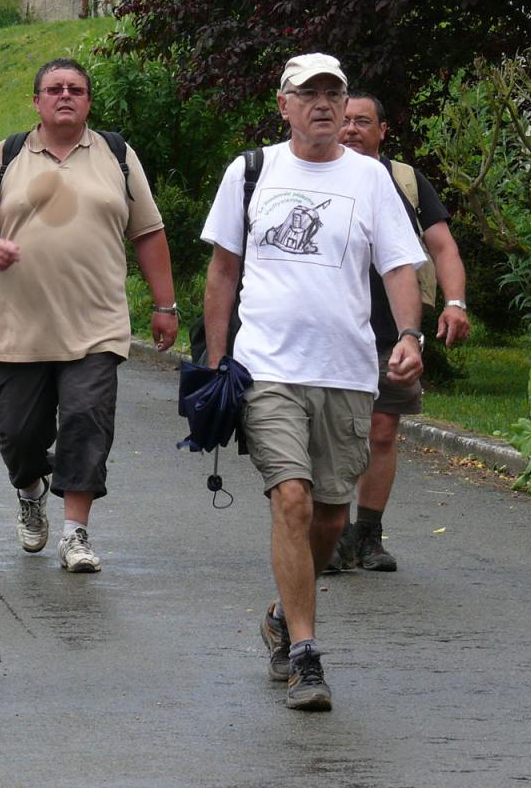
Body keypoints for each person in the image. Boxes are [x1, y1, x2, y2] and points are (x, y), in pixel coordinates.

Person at [200, 53, 425, 711]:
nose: (324, 104)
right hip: (269, 367)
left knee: (329, 516)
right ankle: (304, 654)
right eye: (310, 94)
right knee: (292, 499)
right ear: (285, 104)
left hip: (348, 373)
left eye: (334, 93)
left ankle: (279, 614)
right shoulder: (251, 172)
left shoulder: (371, 180)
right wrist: (217, 362)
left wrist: (409, 335)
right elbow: (221, 271)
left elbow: (399, 267)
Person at [0, 58, 178, 573]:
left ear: (88, 101)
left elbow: (148, 231)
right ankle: (31, 489)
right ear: (36, 102)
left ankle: (76, 533)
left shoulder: (116, 155)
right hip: (20, 329)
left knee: (86, 421)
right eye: (53, 89)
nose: (65, 96)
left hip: (95, 326)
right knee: (16, 432)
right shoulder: (9, 154)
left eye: (76, 89)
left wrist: (164, 305)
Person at [327, 92, 472, 572]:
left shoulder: (405, 180)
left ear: (383, 131)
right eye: (345, 120)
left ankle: (367, 533)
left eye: (362, 121)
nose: (350, 129)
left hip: (392, 329)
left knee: (382, 430)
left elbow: (442, 245)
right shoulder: (314, 173)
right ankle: (333, 531)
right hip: (329, 327)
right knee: (328, 432)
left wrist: (454, 303)